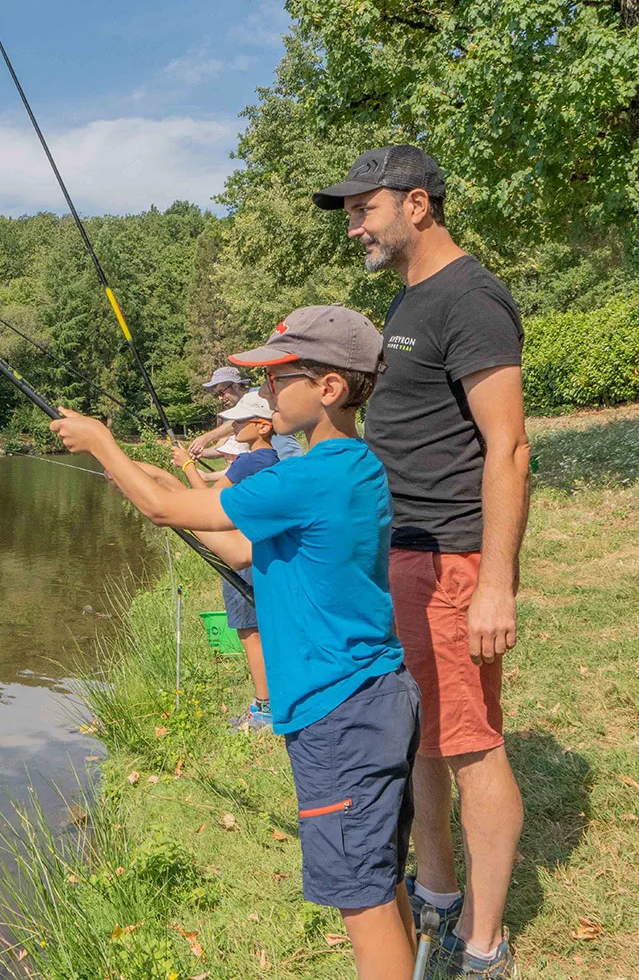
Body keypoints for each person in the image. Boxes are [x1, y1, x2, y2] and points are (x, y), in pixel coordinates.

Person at [52, 306, 421, 980]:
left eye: (280, 378)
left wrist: (103, 443)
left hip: (337, 713)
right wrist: (146, 476)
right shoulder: (352, 465)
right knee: (381, 875)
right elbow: (239, 543)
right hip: (378, 698)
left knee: (361, 900)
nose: (267, 393)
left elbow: (171, 510)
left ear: (330, 387)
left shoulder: (306, 476)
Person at [313, 145, 530, 978]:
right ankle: (437, 892)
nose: (354, 226)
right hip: (405, 558)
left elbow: (507, 448)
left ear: (417, 205)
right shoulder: (413, 298)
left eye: (363, 208)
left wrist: (495, 585)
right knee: (424, 740)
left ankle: (484, 944)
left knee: (471, 745)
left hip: (453, 563)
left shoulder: (471, 299)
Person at [172, 391, 279, 730]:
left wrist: (186, 464)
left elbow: (208, 504)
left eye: (242, 421)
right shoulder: (271, 459)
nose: (234, 426)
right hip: (258, 550)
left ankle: (264, 708)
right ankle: (269, 701)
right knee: (261, 629)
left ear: (262, 426)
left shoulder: (251, 460)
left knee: (250, 632)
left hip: (242, 553)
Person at [191, 368, 304, 461]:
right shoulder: (232, 415)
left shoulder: (259, 395)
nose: (220, 398)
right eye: (216, 395)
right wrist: (196, 453)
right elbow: (221, 447)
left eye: (221, 392)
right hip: (268, 468)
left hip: (288, 460)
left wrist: (206, 437)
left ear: (235, 386)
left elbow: (240, 421)